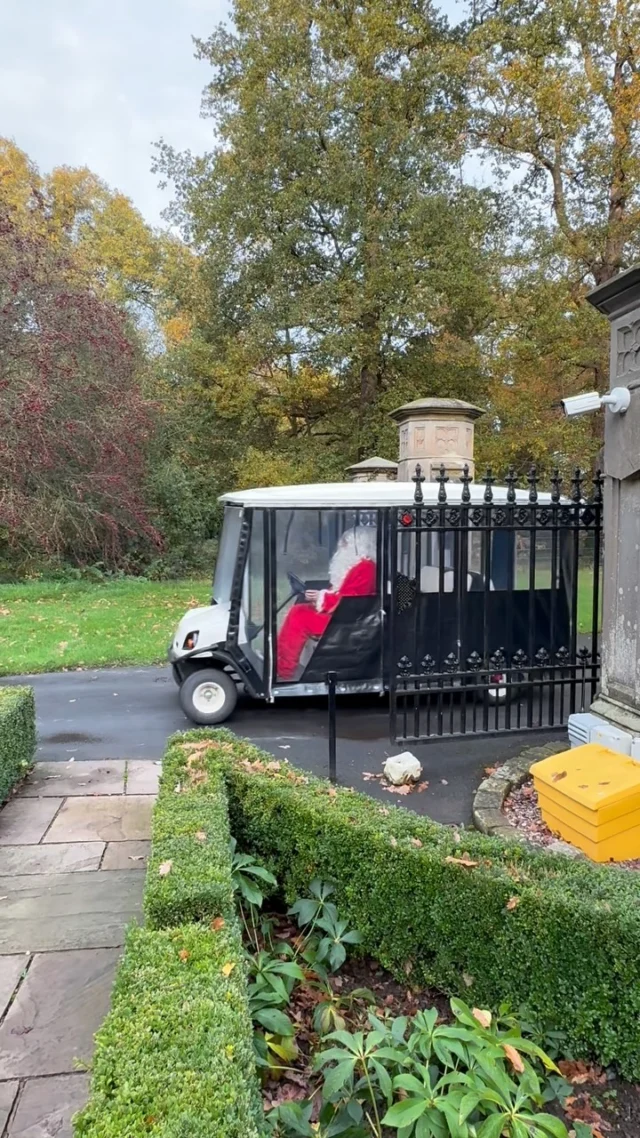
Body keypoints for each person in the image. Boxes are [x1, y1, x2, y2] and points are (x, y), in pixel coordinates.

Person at [276, 526, 377, 680]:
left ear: (360, 545)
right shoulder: (357, 566)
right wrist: (319, 596)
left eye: (346, 543)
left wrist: (320, 597)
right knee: (299, 610)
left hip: (347, 622)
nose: (341, 545)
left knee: (298, 616)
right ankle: (283, 666)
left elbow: (351, 601)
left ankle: (285, 672)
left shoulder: (365, 568)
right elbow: (343, 595)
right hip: (343, 616)